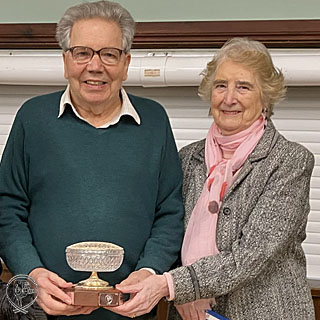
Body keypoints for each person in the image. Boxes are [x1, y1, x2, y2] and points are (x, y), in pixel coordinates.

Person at [108, 38, 316, 320]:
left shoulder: (289, 161)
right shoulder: (186, 159)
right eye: (221, 85)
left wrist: (174, 286)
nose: (229, 98)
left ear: (265, 97)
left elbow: (252, 254)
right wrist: (167, 283)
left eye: (243, 86)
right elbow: (166, 230)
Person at [0, 1, 184, 319]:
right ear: (66, 60)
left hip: (131, 312)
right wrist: (31, 274)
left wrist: (150, 272)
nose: (95, 66)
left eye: (109, 54)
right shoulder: (32, 118)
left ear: (126, 63)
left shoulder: (154, 120)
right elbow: (7, 208)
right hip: (43, 311)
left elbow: (169, 213)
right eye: (82, 52)